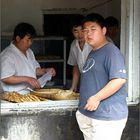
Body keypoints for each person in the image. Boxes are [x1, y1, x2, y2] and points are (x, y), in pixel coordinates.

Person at [76, 13, 128, 140]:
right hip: (89, 115)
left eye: (93, 29)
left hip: (106, 117)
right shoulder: (93, 52)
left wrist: (96, 98)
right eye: (85, 31)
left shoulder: (111, 52)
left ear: (104, 30)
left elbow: (119, 79)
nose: (88, 34)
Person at [0, 22, 56, 93]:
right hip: (12, 94)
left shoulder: (29, 52)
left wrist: (46, 71)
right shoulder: (7, 55)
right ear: (18, 38)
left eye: (31, 40)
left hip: (29, 92)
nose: (30, 43)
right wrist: (27, 79)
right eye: (27, 40)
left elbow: (35, 70)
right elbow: (6, 78)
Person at [67, 18, 92, 92]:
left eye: (82, 30)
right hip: (84, 80)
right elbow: (76, 66)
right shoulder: (74, 45)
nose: (80, 34)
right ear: (72, 32)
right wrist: (73, 86)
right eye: (76, 31)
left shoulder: (93, 43)